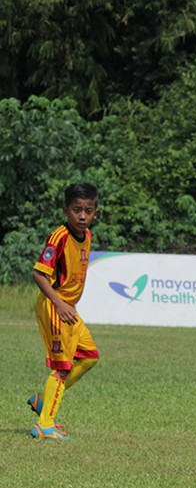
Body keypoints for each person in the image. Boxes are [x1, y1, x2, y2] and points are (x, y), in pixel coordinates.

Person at [27, 183, 102, 441]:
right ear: (65, 211)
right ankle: (44, 424)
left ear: (95, 213)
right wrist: (59, 303)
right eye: (76, 210)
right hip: (54, 307)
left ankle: (44, 401)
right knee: (62, 367)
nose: (82, 216)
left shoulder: (88, 237)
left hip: (69, 310)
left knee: (90, 357)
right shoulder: (58, 237)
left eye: (88, 210)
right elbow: (39, 273)